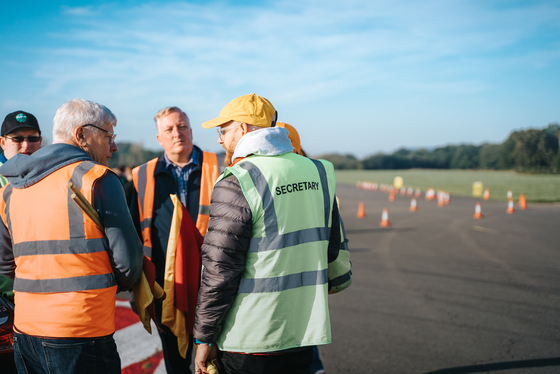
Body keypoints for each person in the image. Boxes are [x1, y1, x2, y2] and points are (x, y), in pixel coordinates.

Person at [193, 93, 342, 374]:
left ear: (243, 128)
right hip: (303, 332)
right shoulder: (320, 172)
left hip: (249, 337)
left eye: (222, 130)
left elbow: (219, 270)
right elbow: (331, 249)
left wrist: (204, 336)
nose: (219, 139)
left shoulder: (239, 178)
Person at [0, 98, 143, 374]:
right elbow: (129, 264)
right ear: (81, 135)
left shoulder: (10, 191)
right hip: (81, 330)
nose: (114, 145)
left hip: (26, 330)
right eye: (108, 135)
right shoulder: (97, 178)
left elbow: (6, 265)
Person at [129, 106, 224, 374]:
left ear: (191, 131)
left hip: (214, 282)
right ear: (159, 138)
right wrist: (137, 288)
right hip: (166, 287)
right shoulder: (140, 177)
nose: (177, 133)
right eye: (169, 129)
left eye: (182, 126)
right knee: (177, 364)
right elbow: (133, 236)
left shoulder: (219, 167)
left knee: (218, 362)